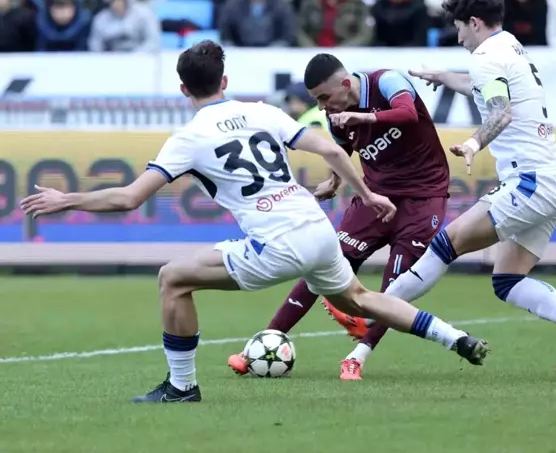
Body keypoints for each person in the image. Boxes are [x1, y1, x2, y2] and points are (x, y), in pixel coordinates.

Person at [20, 40, 489, 402]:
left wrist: (67, 200)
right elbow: (328, 148)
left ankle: (181, 387)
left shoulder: (187, 138)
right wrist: (365, 192)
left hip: (276, 243)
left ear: (185, 90)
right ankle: (456, 337)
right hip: (315, 229)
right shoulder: (263, 112)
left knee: (172, 279)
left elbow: (128, 198)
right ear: (224, 80)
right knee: (363, 298)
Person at [328, 0, 556, 379]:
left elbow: (501, 110)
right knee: (508, 280)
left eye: (459, 28)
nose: (458, 37)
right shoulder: (509, 45)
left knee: (446, 244)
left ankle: (369, 308)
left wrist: (476, 142)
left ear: (474, 22)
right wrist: (446, 76)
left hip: (528, 181)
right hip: (554, 180)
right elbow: (486, 87)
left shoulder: (485, 58)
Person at [228, 53, 488, 381]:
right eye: (316, 100)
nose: (322, 107)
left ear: (346, 84)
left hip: (423, 199)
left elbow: (407, 114)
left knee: (394, 290)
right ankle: (258, 347)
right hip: (375, 198)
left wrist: (363, 119)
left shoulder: (387, 81)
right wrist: (334, 183)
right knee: (319, 264)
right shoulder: (338, 117)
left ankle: (356, 357)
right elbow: (344, 151)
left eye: (324, 97)